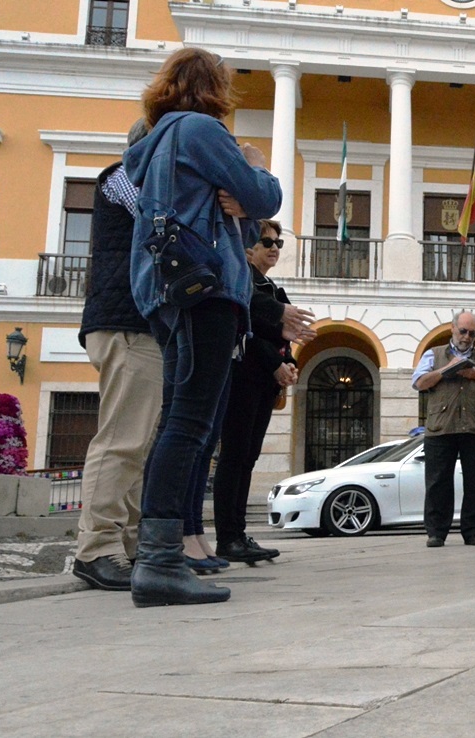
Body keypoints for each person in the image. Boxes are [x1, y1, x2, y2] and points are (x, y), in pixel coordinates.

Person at [125, 47, 282, 607]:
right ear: (212, 86)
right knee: (190, 425)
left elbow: (239, 218)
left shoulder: (148, 141)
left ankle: (158, 554)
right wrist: (256, 169)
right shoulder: (200, 129)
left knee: (179, 419)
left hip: (165, 288)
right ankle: (161, 562)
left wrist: (237, 208)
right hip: (204, 289)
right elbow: (265, 196)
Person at [71, 119, 162, 592]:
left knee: (137, 445)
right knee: (122, 440)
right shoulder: (125, 177)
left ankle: (124, 545)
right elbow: (159, 219)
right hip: (124, 322)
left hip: (134, 324)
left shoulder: (134, 179)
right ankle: (96, 548)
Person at [212, 219, 313, 564]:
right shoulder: (243, 282)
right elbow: (247, 332)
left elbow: (284, 335)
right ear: (247, 247)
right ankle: (228, 536)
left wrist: (291, 363)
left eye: (278, 243)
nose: (274, 248)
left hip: (264, 381)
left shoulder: (271, 287)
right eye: (266, 241)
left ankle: (238, 534)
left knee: (248, 457)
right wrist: (275, 362)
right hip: (243, 376)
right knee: (235, 456)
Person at [411, 310, 475, 548]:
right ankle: (436, 532)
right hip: (440, 428)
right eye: (463, 331)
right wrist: (447, 370)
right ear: (452, 329)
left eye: (472, 333)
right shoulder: (433, 355)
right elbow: (419, 382)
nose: (466, 337)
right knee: (437, 483)